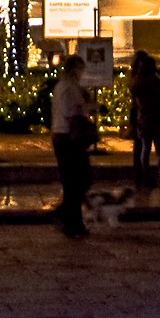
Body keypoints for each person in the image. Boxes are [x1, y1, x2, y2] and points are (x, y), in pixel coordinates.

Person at [50, 54, 95, 237]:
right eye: (80, 68)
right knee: (78, 179)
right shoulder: (67, 87)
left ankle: (69, 218)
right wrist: (85, 108)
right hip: (67, 136)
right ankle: (70, 219)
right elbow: (69, 111)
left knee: (75, 181)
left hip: (65, 135)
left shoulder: (66, 86)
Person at [127, 50, 160, 188]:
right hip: (155, 117)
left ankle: (143, 175)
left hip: (141, 117)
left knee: (143, 149)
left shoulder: (135, 80)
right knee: (159, 150)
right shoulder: (154, 81)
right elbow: (159, 99)